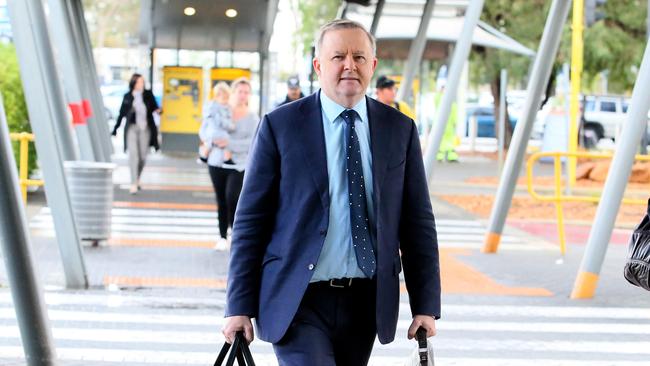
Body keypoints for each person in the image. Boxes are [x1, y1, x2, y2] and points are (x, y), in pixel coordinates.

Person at [222, 19, 440, 365]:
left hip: (365, 303)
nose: (349, 65)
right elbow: (250, 221)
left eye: (359, 56)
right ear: (318, 65)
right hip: (297, 299)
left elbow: (417, 224)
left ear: (373, 65)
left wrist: (425, 306)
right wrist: (238, 307)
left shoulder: (399, 130)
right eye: (338, 56)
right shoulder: (280, 126)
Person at [201, 78, 257, 250]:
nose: (242, 95)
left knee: (232, 197)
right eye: (239, 91)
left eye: (246, 92)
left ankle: (235, 232)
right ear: (233, 92)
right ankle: (222, 236)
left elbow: (252, 143)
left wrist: (229, 144)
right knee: (221, 200)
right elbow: (204, 129)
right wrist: (211, 141)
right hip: (216, 162)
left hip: (238, 165)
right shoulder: (220, 109)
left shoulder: (253, 117)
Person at [111, 73, 160, 194]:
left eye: (142, 82)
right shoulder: (128, 96)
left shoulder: (148, 94)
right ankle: (133, 182)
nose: (141, 84)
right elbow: (122, 113)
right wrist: (116, 128)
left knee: (143, 156)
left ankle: (137, 178)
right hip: (132, 128)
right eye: (139, 82)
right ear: (134, 83)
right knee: (134, 155)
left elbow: (154, 108)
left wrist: (159, 110)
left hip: (145, 128)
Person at [199, 82, 235, 165]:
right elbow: (219, 122)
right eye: (224, 98)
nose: (226, 101)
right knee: (227, 140)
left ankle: (204, 156)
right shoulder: (214, 107)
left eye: (227, 98)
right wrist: (230, 126)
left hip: (214, 132)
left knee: (212, 143)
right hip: (215, 131)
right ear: (217, 96)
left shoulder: (226, 106)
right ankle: (227, 159)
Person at [434, 84, 459, 162]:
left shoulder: (440, 100)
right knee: (449, 140)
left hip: (443, 125)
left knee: (442, 140)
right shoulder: (451, 101)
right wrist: (455, 122)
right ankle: (451, 156)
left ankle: (440, 156)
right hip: (449, 125)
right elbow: (455, 112)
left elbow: (436, 99)